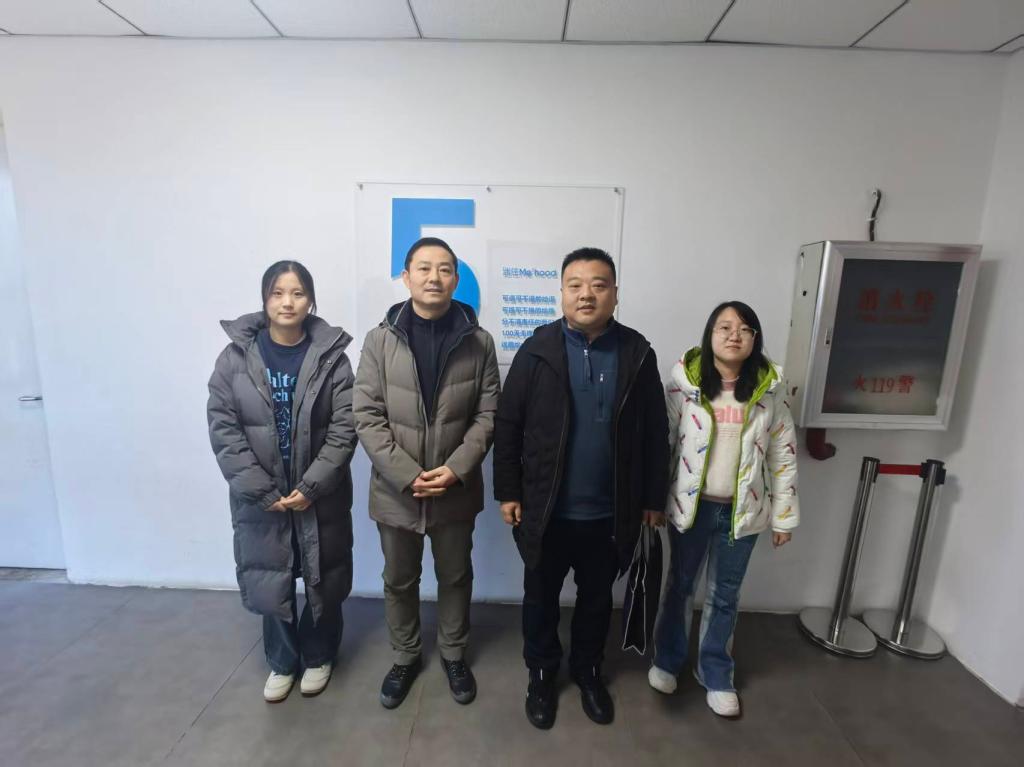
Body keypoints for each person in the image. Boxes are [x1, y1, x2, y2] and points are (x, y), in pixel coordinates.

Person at [493, 247, 669, 729]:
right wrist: (508, 491)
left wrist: (653, 498)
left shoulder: (637, 353)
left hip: (611, 512)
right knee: (540, 599)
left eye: (598, 285)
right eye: (575, 285)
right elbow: (507, 426)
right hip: (546, 510)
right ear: (562, 292)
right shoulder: (537, 351)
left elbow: (656, 432)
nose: (586, 294)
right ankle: (541, 674)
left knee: (596, 600)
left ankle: (588, 671)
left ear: (615, 293)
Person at [354, 237, 500, 709]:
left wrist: (455, 469)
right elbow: (366, 415)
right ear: (406, 276)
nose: (433, 277)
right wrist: (406, 473)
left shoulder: (478, 341)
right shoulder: (379, 340)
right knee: (399, 579)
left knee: (455, 576)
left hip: (455, 489)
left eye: (443, 269)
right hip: (396, 490)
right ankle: (405, 656)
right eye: (423, 268)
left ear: (456, 280)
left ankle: (454, 654)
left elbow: (488, 414)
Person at [207, 261, 357, 702]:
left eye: (297, 293)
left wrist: (312, 487)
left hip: (319, 494)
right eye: (277, 293)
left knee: (323, 575)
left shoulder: (332, 357)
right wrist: (260, 489)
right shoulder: (234, 358)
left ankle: (320, 655)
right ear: (264, 299)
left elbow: (345, 427)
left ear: (311, 300)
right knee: (271, 574)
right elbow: (223, 427)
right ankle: (282, 661)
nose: (287, 302)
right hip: (263, 497)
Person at [649, 300, 799, 718]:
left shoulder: (769, 393)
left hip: (742, 514)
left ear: (755, 339)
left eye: (745, 329)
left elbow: (783, 456)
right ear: (709, 335)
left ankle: (716, 672)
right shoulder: (684, 386)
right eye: (725, 327)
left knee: (725, 595)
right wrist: (653, 502)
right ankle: (668, 660)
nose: (735, 335)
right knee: (679, 587)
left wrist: (784, 517)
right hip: (690, 510)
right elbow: (662, 445)